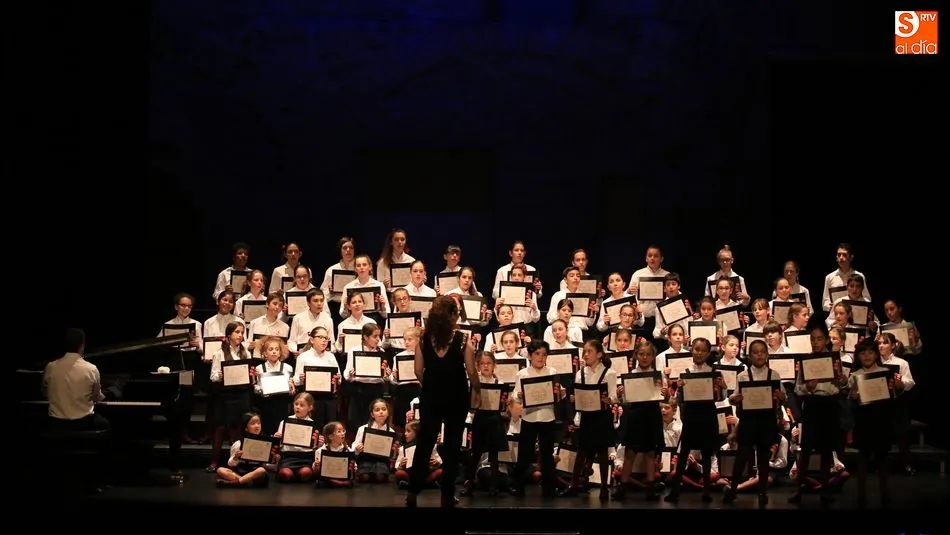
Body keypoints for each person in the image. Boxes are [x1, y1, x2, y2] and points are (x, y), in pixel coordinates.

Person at [406, 296, 479, 508]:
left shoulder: (423, 339)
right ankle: (447, 494)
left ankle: (413, 491)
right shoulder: (463, 340)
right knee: (453, 445)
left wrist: (431, 383)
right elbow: (472, 371)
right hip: (456, 396)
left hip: (431, 396)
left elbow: (418, 370)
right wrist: (477, 389)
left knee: (425, 443)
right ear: (452, 315)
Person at [42, 328, 111, 489]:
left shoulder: (50, 367)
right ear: (82, 346)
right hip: (84, 423)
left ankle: (52, 477)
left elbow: (45, 391)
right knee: (106, 426)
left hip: (56, 424)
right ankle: (100, 478)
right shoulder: (91, 368)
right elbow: (96, 397)